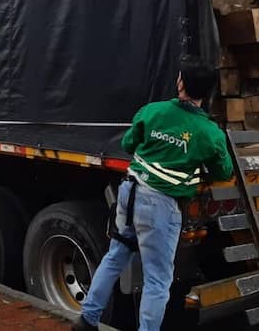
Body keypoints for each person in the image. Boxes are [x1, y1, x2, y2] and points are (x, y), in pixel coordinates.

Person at [73, 55, 234, 331]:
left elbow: (128, 143)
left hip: (130, 193)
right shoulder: (210, 133)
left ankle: (87, 319)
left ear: (180, 83)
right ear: (208, 92)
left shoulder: (152, 111)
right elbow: (224, 171)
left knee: (115, 257)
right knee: (157, 280)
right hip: (161, 207)